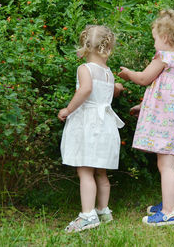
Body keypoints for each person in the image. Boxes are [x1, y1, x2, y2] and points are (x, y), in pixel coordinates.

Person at [118, 9, 174, 226]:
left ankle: (169, 212)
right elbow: (167, 94)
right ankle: (172, 203)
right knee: (171, 165)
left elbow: (144, 79)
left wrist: (128, 74)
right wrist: (143, 106)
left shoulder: (163, 57)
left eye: (154, 39)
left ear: (165, 37)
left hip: (167, 124)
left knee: (166, 166)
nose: (154, 44)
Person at [58, 25, 125, 232]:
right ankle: (103, 210)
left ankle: (87, 215)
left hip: (90, 124)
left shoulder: (84, 69)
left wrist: (68, 109)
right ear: (108, 48)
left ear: (85, 47)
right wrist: (118, 88)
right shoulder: (108, 73)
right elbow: (112, 92)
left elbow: (86, 90)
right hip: (105, 125)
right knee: (101, 172)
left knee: (85, 171)